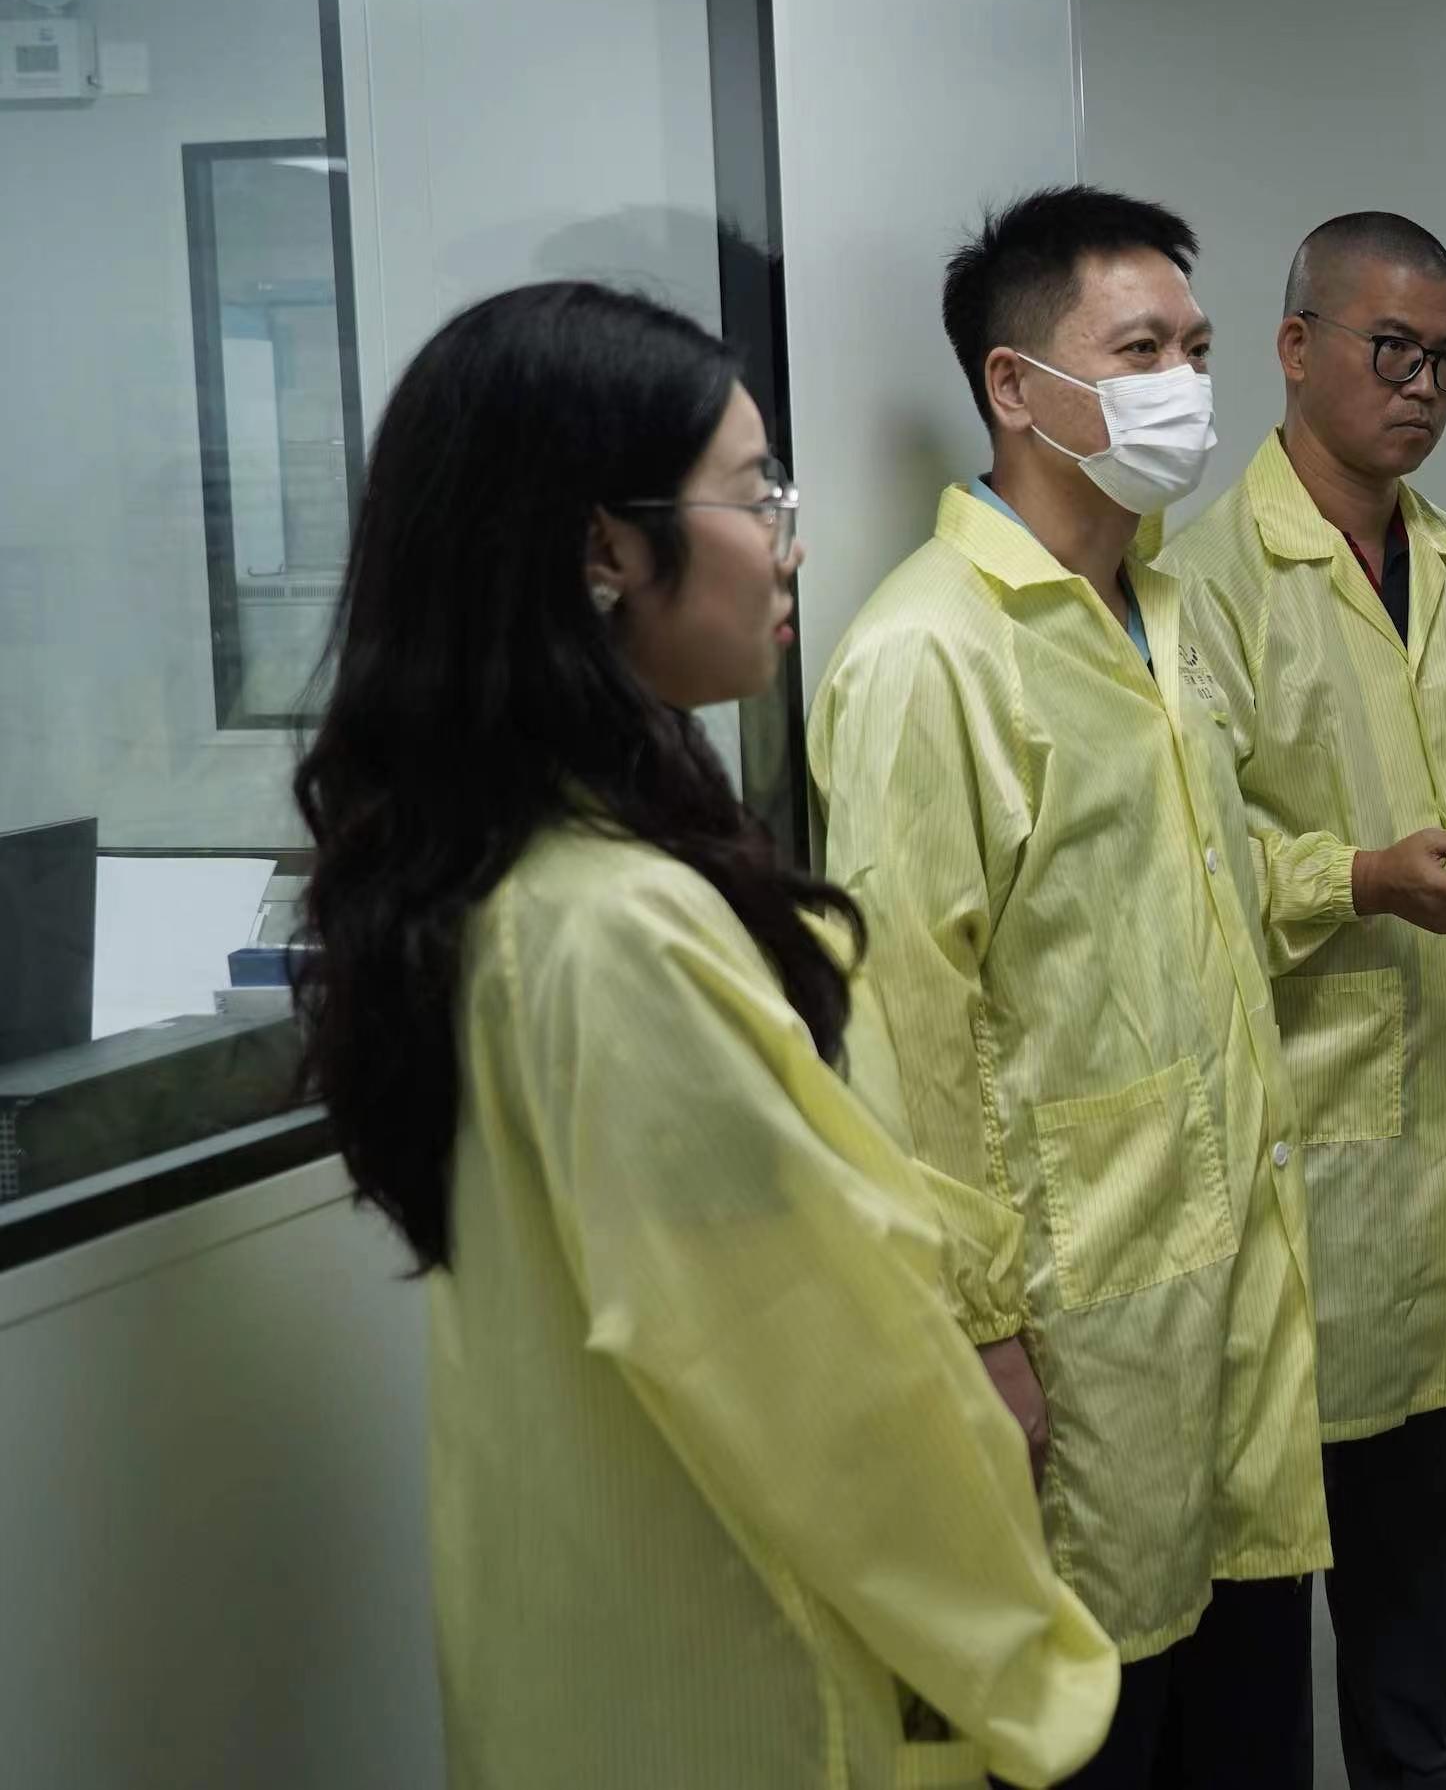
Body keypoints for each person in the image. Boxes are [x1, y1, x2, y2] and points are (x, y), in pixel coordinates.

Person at [289, 281, 1118, 1790]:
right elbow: (826, 1381)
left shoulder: (524, 879)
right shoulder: (615, 931)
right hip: (738, 1693)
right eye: (753, 496)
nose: (789, 541)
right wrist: (1037, 1675)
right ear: (605, 549)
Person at [807, 187, 1331, 1787]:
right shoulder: (931, 652)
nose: (1187, 385)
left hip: (1229, 1278)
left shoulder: (1163, 610)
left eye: (1198, 348)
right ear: (1015, 386)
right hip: (1074, 1317)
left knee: (1244, 1717)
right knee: (1097, 1725)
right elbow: (904, 1028)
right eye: (1142, 350)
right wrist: (977, 1333)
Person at [1164, 212, 1446, 1790]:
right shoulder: (1203, 584)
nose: (1423, 389)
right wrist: (1360, 876)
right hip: (1301, 1096)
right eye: (1392, 350)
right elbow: (1197, 862)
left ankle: (1421, 1758)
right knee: (1284, 1508)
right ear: (1296, 347)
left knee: (1429, 1506)